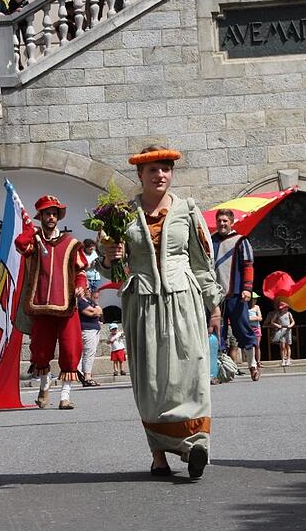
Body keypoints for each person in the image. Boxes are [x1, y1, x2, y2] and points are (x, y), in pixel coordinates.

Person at [99, 145, 222, 479]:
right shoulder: (119, 215)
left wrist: (214, 305)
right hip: (142, 302)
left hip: (183, 299)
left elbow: (202, 263)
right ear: (140, 175)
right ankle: (159, 455)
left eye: (166, 169)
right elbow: (114, 274)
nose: (160, 175)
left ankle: (196, 444)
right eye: (153, 170)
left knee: (191, 372)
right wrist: (111, 257)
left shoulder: (188, 210)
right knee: (152, 380)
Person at [15, 194, 89, 410]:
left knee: (70, 349)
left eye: (54, 213)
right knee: (39, 351)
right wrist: (31, 230)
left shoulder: (71, 243)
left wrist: (80, 285)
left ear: (58, 217)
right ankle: (45, 384)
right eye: (47, 213)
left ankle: (65, 395)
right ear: (40, 216)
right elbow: (20, 244)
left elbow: (81, 270)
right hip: (41, 306)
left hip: (67, 305)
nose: (51, 217)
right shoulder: (34, 242)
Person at [212, 209, 260, 381]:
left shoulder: (241, 241)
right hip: (216, 297)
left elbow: (248, 265)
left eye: (225, 220)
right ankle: (219, 371)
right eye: (219, 221)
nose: (222, 224)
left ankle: (252, 365)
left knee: (243, 329)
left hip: (237, 294)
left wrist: (247, 288)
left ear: (231, 222)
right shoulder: (211, 241)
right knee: (218, 333)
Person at [77, 288, 102, 387]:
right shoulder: (80, 301)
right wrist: (96, 311)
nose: (88, 290)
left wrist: (96, 310)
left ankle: (86, 374)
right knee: (88, 352)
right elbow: (91, 312)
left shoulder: (89, 301)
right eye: (85, 288)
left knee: (91, 352)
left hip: (94, 329)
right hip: (87, 329)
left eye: (88, 288)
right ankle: (87, 376)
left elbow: (100, 311)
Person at [270, 301, 294, 366]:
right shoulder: (278, 314)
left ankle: (288, 359)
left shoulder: (289, 313)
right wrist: (277, 325)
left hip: (288, 330)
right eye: (284, 307)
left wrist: (290, 325)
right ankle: (283, 360)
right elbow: (272, 321)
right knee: (282, 346)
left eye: (286, 307)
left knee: (288, 345)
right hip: (281, 330)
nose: (286, 309)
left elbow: (293, 321)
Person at [248, 297, 263, 367]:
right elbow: (245, 318)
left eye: (255, 299)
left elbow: (260, 318)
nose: (254, 301)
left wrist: (252, 318)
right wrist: (255, 318)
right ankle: (252, 362)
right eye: (253, 299)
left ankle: (258, 361)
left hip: (257, 328)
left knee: (257, 345)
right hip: (249, 328)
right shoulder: (246, 307)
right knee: (251, 345)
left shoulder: (257, 307)